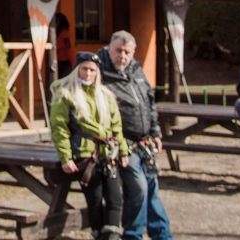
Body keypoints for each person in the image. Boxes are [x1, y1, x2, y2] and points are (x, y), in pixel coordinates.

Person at [96, 31, 173, 240]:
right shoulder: (99, 73)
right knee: (137, 189)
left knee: (151, 187)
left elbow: (149, 104)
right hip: (121, 144)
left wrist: (156, 132)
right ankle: (132, 236)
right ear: (109, 49)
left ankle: (162, 236)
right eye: (118, 50)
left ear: (133, 52)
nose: (122, 56)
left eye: (127, 52)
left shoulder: (137, 72)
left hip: (144, 141)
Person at [50, 52, 129, 240]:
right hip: (84, 154)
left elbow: (116, 126)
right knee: (94, 198)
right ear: (77, 70)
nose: (88, 73)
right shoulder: (65, 95)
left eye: (92, 70)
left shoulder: (106, 96)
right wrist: (66, 158)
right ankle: (99, 234)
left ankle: (112, 236)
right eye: (84, 69)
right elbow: (59, 128)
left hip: (108, 153)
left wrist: (123, 151)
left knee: (115, 197)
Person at [55, 12, 76, 79]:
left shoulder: (64, 34)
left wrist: (74, 66)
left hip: (65, 64)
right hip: (59, 63)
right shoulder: (58, 34)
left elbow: (70, 50)